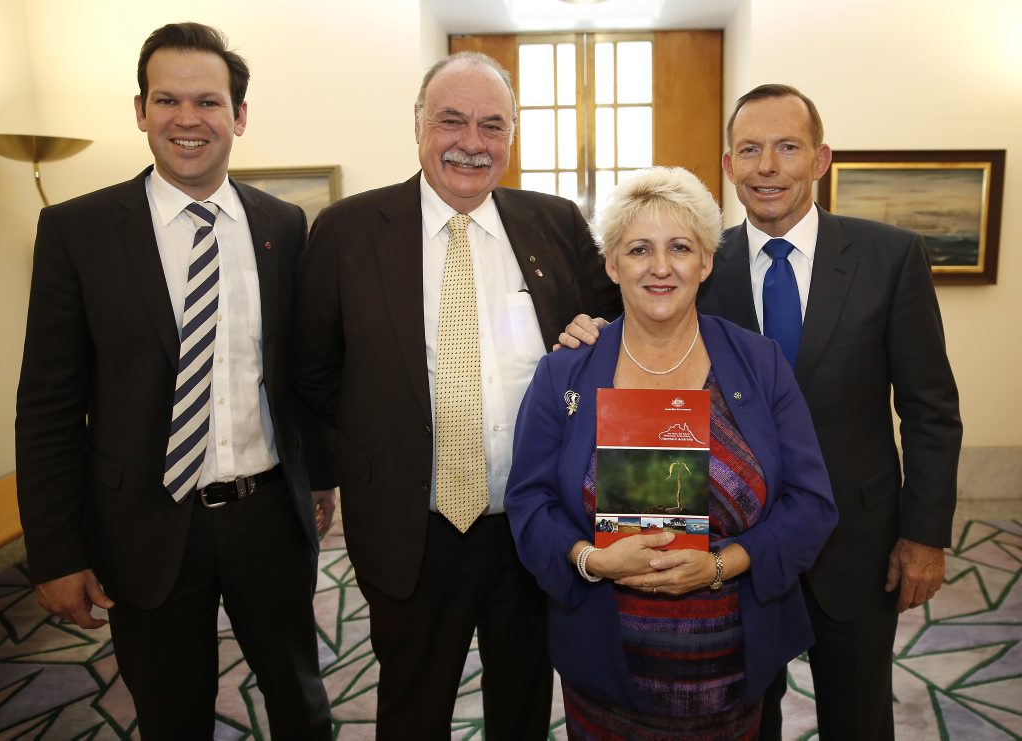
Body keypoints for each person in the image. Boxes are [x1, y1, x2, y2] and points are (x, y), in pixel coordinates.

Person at [561, 85, 963, 740]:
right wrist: (584, 327)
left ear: (820, 158)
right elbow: (638, 339)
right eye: (750, 150)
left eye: (786, 148)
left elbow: (931, 409)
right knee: (749, 714)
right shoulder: (695, 261)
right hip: (730, 545)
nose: (767, 167)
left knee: (860, 712)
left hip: (855, 544)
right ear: (728, 164)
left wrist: (925, 535)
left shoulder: (890, 258)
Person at [15, 22, 335, 739]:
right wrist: (57, 550)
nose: (187, 119)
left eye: (208, 102)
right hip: (144, 525)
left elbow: (301, 370)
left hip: (268, 520)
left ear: (239, 116)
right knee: (171, 714)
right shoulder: (77, 231)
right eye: (167, 100)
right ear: (140, 110)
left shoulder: (282, 225)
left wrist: (320, 476)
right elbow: (48, 405)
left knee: (300, 701)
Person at [289, 51, 621, 739]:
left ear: (511, 137)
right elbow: (313, 369)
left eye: (492, 125)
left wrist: (597, 335)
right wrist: (369, 447)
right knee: (412, 704)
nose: (472, 142)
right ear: (418, 126)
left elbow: (615, 339)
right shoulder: (349, 231)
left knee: (525, 700)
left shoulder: (554, 223)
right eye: (452, 120)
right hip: (413, 528)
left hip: (533, 524)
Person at [505, 166, 838, 738]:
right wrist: (591, 559)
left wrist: (719, 565)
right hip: (606, 668)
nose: (661, 267)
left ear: (705, 262)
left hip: (731, 667)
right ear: (612, 265)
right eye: (639, 249)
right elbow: (529, 503)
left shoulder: (760, 364)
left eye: (679, 247)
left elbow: (811, 504)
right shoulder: (566, 371)